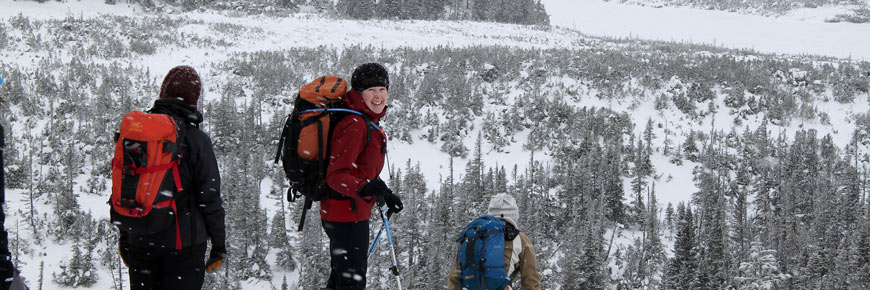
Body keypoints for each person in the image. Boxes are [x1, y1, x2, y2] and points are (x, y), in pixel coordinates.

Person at [117, 66, 226, 290]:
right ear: (193, 99)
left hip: (141, 240)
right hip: (183, 246)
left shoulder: (139, 135)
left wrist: (126, 236)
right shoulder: (197, 140)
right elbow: (210, 198)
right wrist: (218, 245)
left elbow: (128, 185)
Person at [320, 63, 404, 290]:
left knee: (342, 280)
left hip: (348, 212)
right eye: (371, 90)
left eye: (382, 89)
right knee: (351, 283)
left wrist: (384, 193)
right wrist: (364, 189)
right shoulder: (355, 125)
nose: (378, 96)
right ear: (359, 93)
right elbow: (336, 176)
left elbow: (363, 172)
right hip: (346, 216)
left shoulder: (365, 120)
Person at [448, 193, 542, 290]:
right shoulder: (520, 239)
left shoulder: (474, 235)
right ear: (514, 214)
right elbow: (531, 280)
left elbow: (455, 277)